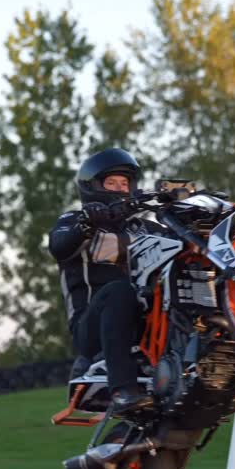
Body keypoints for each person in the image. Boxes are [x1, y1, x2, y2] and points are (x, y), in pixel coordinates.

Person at [48, 147, 153, 415]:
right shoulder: (72, 220)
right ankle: (122, 390)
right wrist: (86, 224)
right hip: (90, 330)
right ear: (94, 187)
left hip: (140, 327)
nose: (119, 189)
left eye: (124, 183)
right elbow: (59, 246)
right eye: (111, 183)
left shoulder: (143, 228)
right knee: (120, 291)